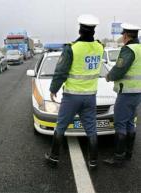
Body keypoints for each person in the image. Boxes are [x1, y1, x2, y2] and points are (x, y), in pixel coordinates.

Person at [45, 14, 104, 169]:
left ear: (79, 29)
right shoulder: (100, 47)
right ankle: (93, 162)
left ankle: (53, 158)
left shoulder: (71, 48)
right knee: (91, 129)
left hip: (72, 96)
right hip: (90, 96)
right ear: (93, 31)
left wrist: (53, 89)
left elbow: (61, 71)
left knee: (61, 126)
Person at [103, 23, 141, 167]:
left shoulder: (128, 49)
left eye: (122, 35)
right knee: (130, 122)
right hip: (137, 93)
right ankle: (128, 154)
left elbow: (119, 69)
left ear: (125, 36)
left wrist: (108, 76)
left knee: (120, 123)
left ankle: (118, 158)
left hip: (126, 93)